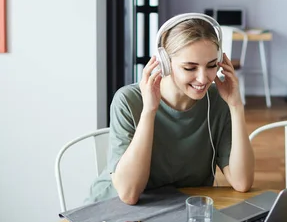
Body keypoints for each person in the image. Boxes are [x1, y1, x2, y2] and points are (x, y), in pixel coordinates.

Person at [87, 15, 255, 205]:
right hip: (115, 210)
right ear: (165, 63)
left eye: (211, 66)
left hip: (180, 208)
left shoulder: (218, 100)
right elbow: (129, 194)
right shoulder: (128, 100)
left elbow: (242, 182)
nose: (203, 78)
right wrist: (149, 110)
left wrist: (236, 106)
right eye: (190, 68)